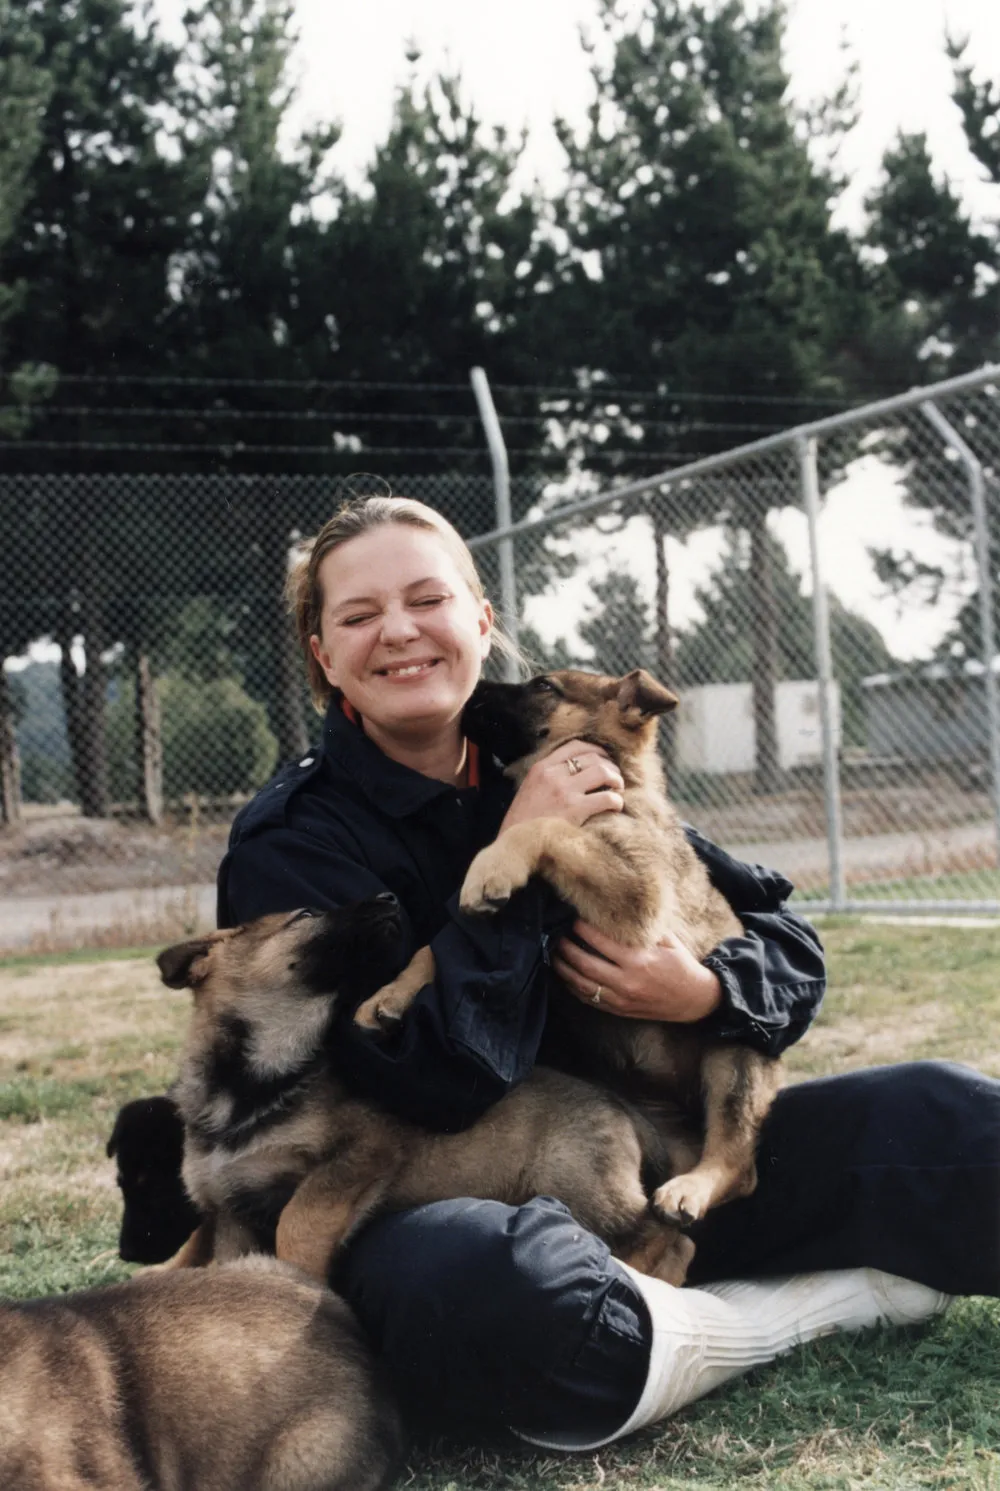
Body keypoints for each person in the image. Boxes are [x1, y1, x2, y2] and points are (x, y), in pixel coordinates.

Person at [215, 494, 998, 1449]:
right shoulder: (292, 841)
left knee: (947, 1114)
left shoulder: (566, 753)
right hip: (437, 1199)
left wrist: (707, 991)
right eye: (359, 614)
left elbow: (781, 939)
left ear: (480, 621)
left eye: (428, 598)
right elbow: (420, 1079)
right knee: (494, 1285)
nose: (401, 630)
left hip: (659, 1167)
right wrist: (519, 843)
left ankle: (666, 1309)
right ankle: (778, 1313)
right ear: (322, 654)